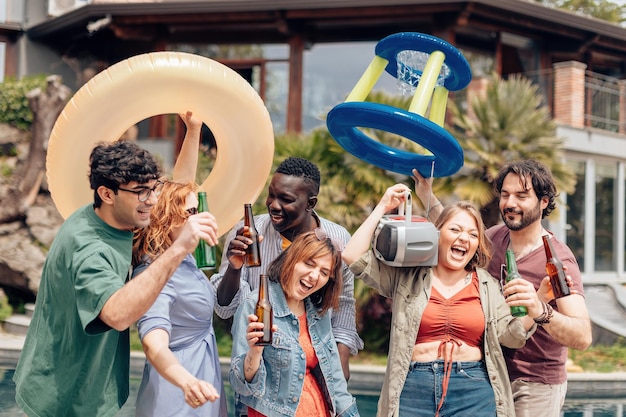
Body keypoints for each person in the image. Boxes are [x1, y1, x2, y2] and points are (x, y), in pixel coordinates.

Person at [13, 138, 219, 417]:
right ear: (107, 194)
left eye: (154, 188)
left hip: (94, 388)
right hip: (64, 396)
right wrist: (181, 248)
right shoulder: (89, 249)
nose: (153, 200)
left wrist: (193, 130)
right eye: (142, 192)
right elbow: (118, 315)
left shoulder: (120, 216)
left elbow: (178, 193)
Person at [342, 184, 541, 417]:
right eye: (455, 229)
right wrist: (383, 206)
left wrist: (540, 301)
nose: (463, 238)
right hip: (413, 388)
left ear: (477, 245)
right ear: (437, 233)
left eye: (473, 234)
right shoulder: (408, 276)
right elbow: (351, 255)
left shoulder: (486, 284)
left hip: (473, 390)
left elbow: (510, 336)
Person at [413, 159, 593, 417]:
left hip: (534, 383)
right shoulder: (494, 238)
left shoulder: (557, 259)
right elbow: (455, 232)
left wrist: (540, 309)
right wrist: (427, 196)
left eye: (522, 195)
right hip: (488, 374)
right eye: (505, 195)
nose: (510, 203)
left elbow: (583, 336)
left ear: (543, 202)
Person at [212, 156, 363, 378]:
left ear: (310, 203)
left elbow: (343, 308)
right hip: (257, 370)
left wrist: (339, 372)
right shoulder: (248, 232)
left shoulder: (337, 239)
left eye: (286, 199)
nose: (273, 204)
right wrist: (234, 268)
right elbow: (224, 309)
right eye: (271, 195)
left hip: (314, 368)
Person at [131, 112, 227, 416]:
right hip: (179, 395)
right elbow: (153, 343)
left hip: (201, 383)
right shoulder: (154, 272)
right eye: (190, 214)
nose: (197, 217)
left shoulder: (181, 254)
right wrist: (186, 382)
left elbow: (183, 186)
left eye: (198, 210)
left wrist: (194, 129)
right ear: (167, 219)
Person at [229, 230, 360, 417]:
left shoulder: (317, 312)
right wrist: (254, 352)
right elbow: (240, 384)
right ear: (291, 259)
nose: (314, 276)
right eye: (309, 263)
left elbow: (336, 381)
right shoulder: (256, 304)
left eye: (324, 272)